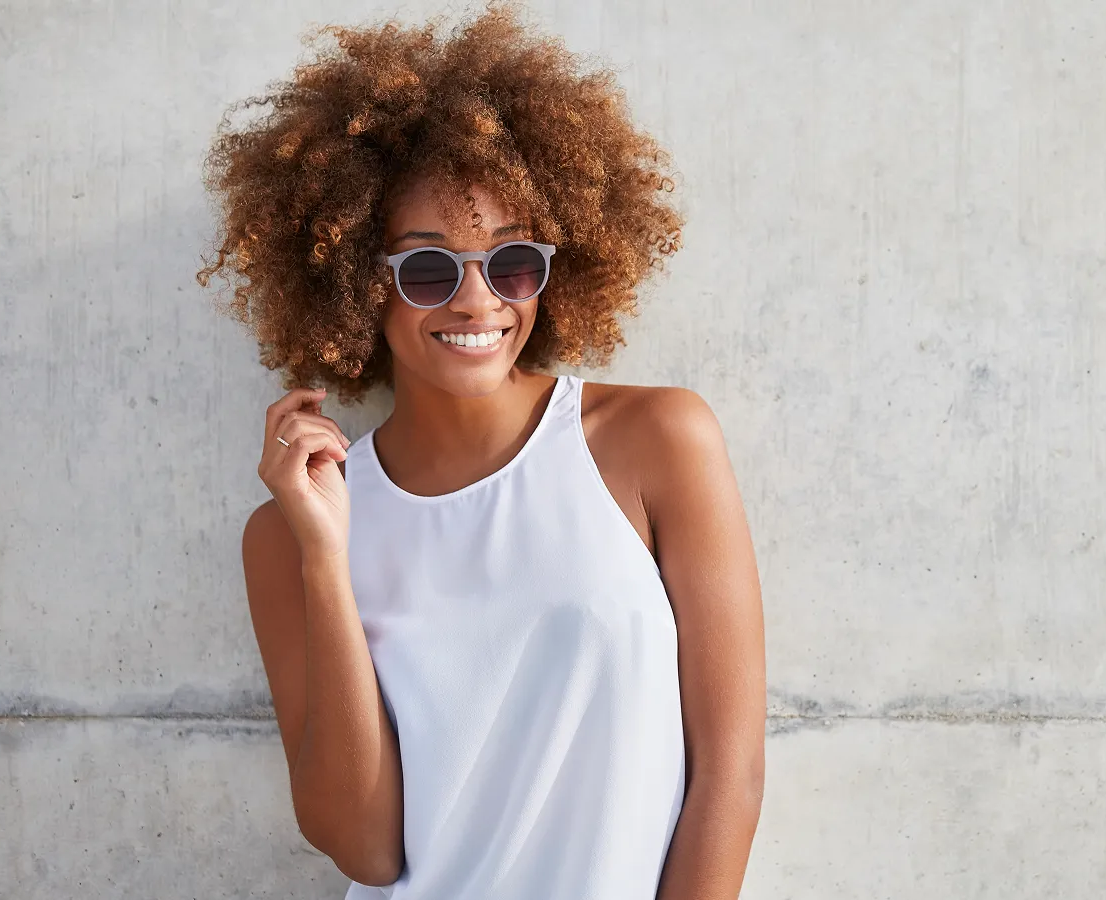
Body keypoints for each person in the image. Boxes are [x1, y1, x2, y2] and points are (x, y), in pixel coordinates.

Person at [196, 4, 765, 898]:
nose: (476, 302)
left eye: (511, 264)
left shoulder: (658, 442)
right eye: (427, 270)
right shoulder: (286, 538)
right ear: (355, 284)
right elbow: (367, 850)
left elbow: (728, 777)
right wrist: (323, 557)